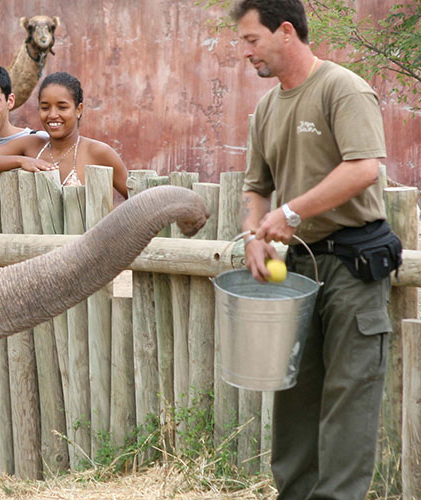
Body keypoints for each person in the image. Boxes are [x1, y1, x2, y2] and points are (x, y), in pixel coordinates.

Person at [234, 1, 400, 499]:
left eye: (250, 40)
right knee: (295, 396)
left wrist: (289, 214)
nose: (245, 52)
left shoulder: (342, 88)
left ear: (286, 31)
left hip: (355, 265)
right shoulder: (267, 107)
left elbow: (363, 168)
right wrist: (252, 235)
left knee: (349, 396)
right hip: (299, 267)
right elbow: (256, 185)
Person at [0, 72, 129, 198]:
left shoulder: (98, 152)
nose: (53, 115)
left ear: (79, 109)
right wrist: (21, 160)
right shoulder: (31, 145)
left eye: (62, 107)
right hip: (36, 246)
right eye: (45, 107)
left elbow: (137, 200)